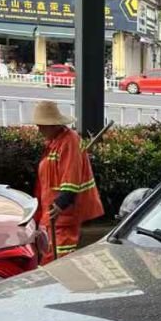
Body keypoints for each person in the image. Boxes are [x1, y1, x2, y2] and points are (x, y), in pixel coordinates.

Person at [31, 101, 104, 263]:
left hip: (62, 215)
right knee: (47, 255)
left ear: (54, 125)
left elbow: (71, 177)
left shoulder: (69, 141)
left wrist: (61, 202)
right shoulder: (54, 142)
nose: (39, 129)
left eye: (42, 126)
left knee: (59, 259)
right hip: (49, 214)